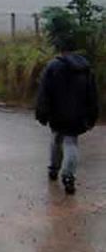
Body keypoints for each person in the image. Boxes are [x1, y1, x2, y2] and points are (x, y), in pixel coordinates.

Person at [36, 37, 98, 195]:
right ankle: (69, 176)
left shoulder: (53, 66)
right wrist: (92, 114)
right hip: (78, 115)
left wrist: (42, 112)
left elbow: (44, 92)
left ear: (60, 51)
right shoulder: (85, 67)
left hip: (57, 113)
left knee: (56, 139)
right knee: (72, 143)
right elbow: (92, 93)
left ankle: (53, 168)